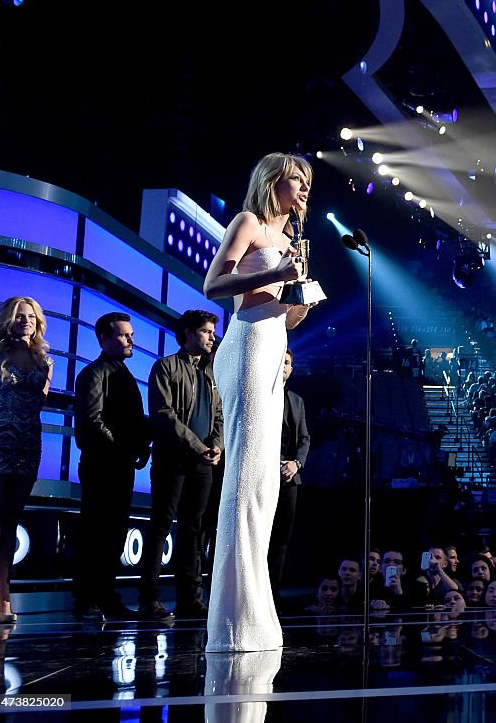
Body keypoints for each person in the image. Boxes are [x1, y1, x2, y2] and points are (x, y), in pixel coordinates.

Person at [203, 152, 316, 652]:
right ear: (274, 181)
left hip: (274, 347)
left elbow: (285, 317)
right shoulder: (248, 221)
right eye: (297, 178)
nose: (305, 187)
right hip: (246, 345)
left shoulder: (293, 241)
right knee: (246, 476)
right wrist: (272, 277)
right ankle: (230, 619)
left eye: (308, 181)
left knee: (265, 484)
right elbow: (215, 284)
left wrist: (301, 299)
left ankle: (255, 609)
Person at [138, 310, 222, 620]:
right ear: (187, 334)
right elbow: (164, 415)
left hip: (203, 464)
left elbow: (219, 416)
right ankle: (150, 599)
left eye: (212, 331)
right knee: (161, 527)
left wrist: (216, 445)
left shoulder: (212, 373)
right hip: (173, 460)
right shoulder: (166, 367)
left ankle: (191, 600)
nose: (212, 336)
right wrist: (200, 446)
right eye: (205, 331)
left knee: (193, 530)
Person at [72, 312, 151, 621]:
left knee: (114, 533)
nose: (130, 339)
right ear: (104, 339)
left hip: (118, 464)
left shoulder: (122, 374)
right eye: (123, 334)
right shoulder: (94, 373)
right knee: (96, 532)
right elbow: (92, 421)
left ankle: (104, 596)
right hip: (101, 465)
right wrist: (123, 449)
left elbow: (129, 421)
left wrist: (141, 446)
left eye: (130, 334)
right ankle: (89, 598)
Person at [0, 297, 53, 624]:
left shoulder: (44, 360)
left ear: (37, 320)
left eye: (30, 316)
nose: (25, 321)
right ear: (8, 321)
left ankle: (4, 595)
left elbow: (40, 402)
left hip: (29, 442)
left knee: (11, 524)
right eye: (18, 316)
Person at [268, 348, 310, 610]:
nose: (283, 366)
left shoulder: (296, 400)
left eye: (287, 363)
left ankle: (273, 593)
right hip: (263, 474)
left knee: (281, 541)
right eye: (279, 360)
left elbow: (305, 438)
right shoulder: (261, 396)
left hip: (289, 478)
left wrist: (296, 464)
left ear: (291, 369)